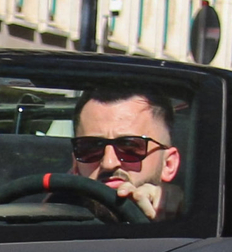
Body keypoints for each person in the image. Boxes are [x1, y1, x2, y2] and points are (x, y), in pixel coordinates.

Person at [71, 88, 182, 220]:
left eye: (129, 147)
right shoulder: (51, 225)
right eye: (91, 147)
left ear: (169, 164)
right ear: (75, 164)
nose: (108, 163)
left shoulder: (196, 228)